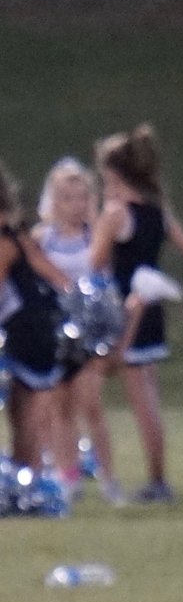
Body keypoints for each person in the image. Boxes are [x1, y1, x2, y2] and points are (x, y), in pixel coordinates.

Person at [90, 125, 183, 503]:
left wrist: (100, 227)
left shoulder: (116, 213)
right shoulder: (157, 213)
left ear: (112, 173)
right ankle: (158, 478)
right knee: (150, 396)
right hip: (153, 310)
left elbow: (94, 262)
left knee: (139, 399)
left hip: (128, 312)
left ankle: (158, 483)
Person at [33, 158, 125, 505]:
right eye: (67, 197)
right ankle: (67, 476)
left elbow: (106, 282)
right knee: (61, 408)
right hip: (57, 332)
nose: (75, 204)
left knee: (92, 404)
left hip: (91, 334)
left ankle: (108, 478)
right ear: (54, 201)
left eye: (81, 197)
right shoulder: (43, 238)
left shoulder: (94, 236)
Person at [0, 163, 71, 486]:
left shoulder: (4, 241)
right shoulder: (18, 234)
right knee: (21, 408)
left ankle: (28, 484)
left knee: (27, 411)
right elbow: (56, 276)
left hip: (26, 330)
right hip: (41, 327)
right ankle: (25, 478)